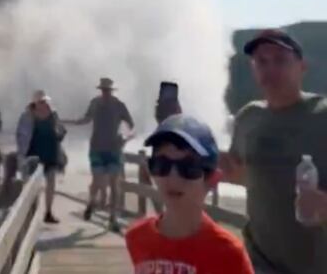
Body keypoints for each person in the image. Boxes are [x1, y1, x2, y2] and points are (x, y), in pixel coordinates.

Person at [219, 28, 327, 273]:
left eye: (280, 60)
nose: (270, 69)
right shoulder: (248, 118)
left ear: (302, 67)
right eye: (262, 62)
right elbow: (247, 178)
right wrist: (226, 171)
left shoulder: (322, 116)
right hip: (260, 261)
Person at [125, 114, 254, 273]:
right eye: (161, 164)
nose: (172, 176)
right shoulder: (137, 237)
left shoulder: (228, 253)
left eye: (188, 167)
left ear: (212, 180)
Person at [66, 77, 135, 233]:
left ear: (112, 91)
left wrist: (126, 137)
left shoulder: (119, 105)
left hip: (113, 148)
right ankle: (91, 202)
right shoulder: (95, 103)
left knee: (114, 183)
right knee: (97, 181)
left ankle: (113, 218)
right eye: (103, 90)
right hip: (97, 148)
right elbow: (85, 119)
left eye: (107, 91)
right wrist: (67, 122)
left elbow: (131, 125)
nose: (105, 93)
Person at [24, 91, 65, 224]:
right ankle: (30, 212)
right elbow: (24, 134)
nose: (44, 104)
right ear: (35, 104)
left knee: (51, 183)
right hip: (35, 153)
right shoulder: (30, 115)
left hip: (51, 152)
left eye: (45, 101)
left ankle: (48, 212)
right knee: (33, 184)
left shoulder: (53, 114)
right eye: (41, 102)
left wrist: (59, 134)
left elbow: (61, 131)